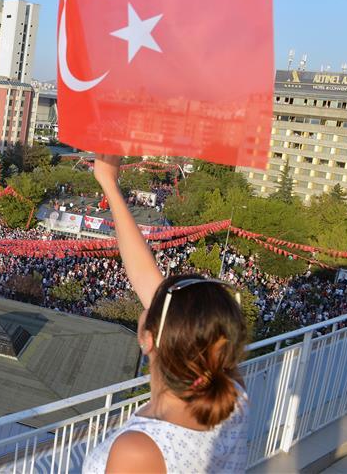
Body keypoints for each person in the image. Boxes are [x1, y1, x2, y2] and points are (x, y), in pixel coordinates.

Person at [82, 154, 248, 474]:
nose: (148, 299)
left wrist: (110, 184)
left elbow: (153, 291)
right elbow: (150, 285)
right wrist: (109, 185)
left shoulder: (140, 450)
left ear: (148, 338)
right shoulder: (230, 396)